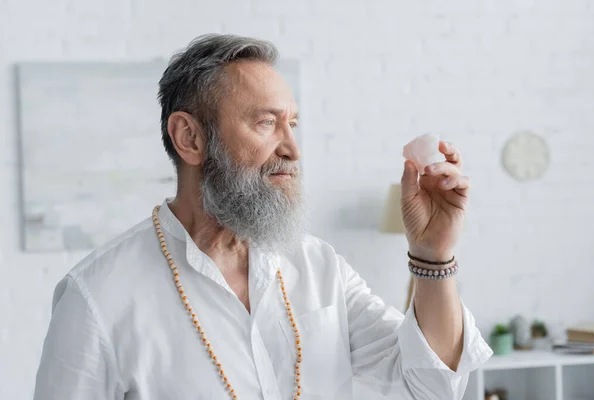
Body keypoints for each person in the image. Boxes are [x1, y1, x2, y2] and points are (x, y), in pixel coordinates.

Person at [34, 34, 491, 400]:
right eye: (266, 123)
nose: (292, 149)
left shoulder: (319, 267)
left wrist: (433, 254)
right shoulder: (97, 296)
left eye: (293, 123)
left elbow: (432, 386)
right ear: (189, 137)